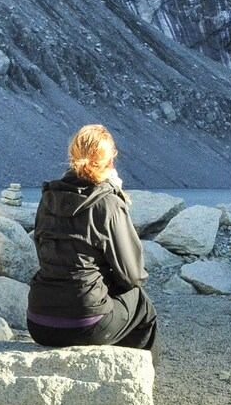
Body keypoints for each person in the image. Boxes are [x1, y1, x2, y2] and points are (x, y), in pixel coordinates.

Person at [27, 123, 158, 358]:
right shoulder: (107, 203)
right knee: (140, 304)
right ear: (110, 162)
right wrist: (117, 196)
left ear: (72, 157)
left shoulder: (48, 198)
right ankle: (129, 383)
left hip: (38, 320)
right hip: (85, 323)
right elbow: (134, 274)